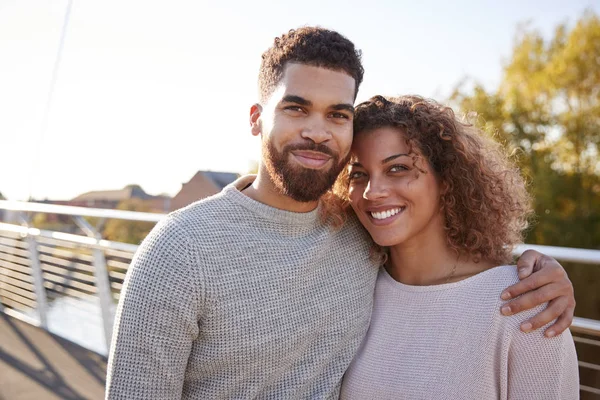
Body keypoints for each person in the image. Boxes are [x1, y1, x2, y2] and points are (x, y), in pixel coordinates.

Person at [106, 27, 575, 399]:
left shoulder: (358, 233)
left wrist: (537, 266)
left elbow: (448, 264)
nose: (317, 131)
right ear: (256, 117)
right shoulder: (179, 250)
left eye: (337, 114)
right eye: (296, 108)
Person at [338, 95, 579, 399]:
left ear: (446, 180)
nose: (373, 191)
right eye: (358, 175)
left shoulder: (526, 301)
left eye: (397, 168)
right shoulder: (352, 289)